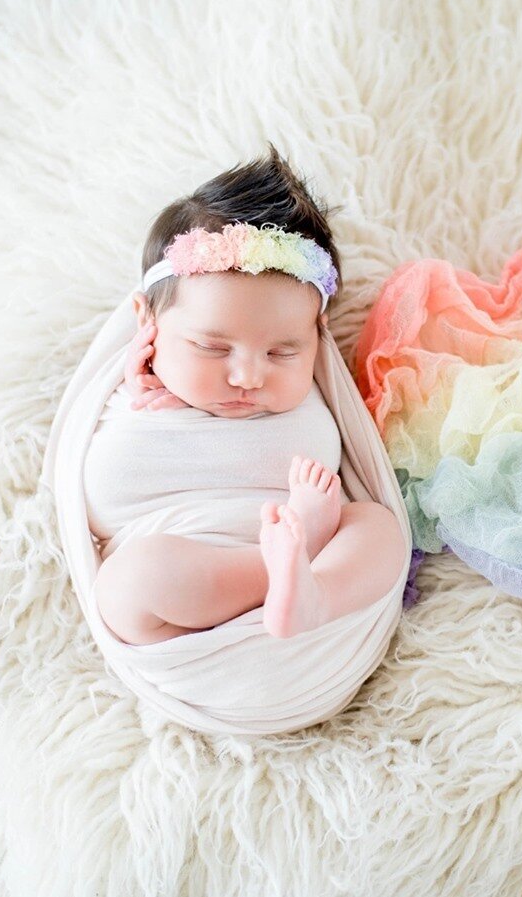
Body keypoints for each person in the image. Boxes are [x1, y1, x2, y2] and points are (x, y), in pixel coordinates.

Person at [82, 145, 405, 644]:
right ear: (147, 321)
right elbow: (94, 508)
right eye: (212, 348)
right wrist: (148, 367)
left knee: (379, 529)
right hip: (184, 609)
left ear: (316, 335)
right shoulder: (133, 387)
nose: (248, 378)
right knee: (129, 580)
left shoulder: (318, 381)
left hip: (315, 598)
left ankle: (313, 597)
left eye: (282, 353)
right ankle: (276, 570)